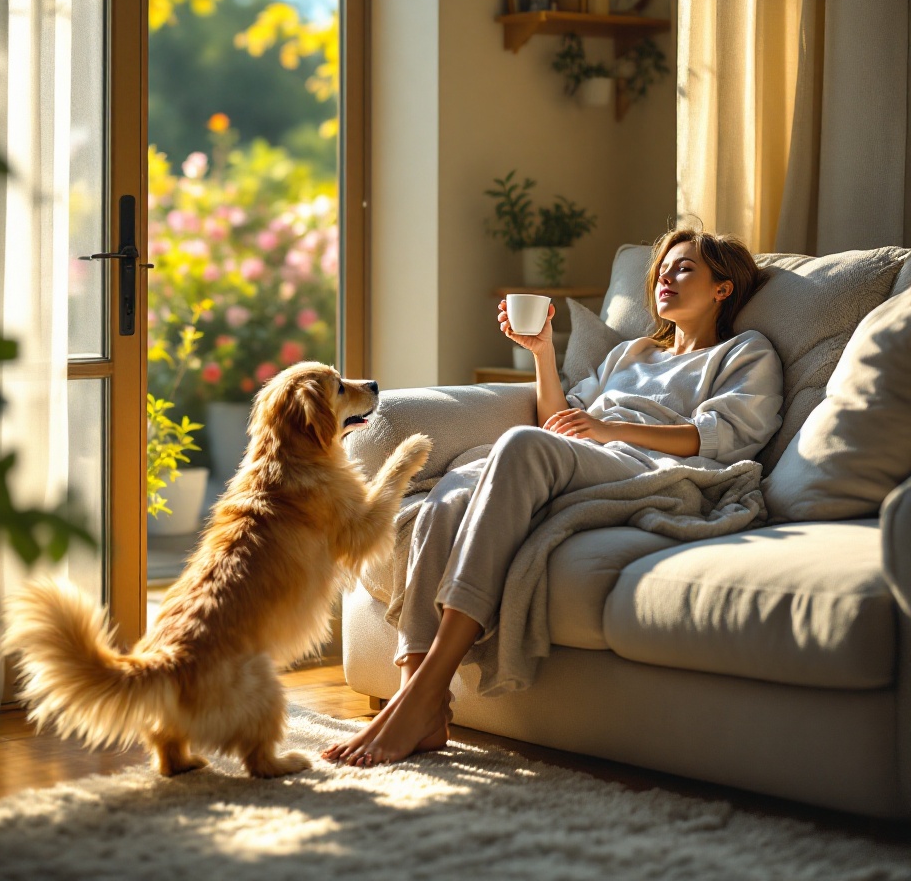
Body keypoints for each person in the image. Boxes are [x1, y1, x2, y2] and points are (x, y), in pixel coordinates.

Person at [322, 228, 784, 768]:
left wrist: (610, 428)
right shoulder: (631, 353)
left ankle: (428, 689)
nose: (665, 277)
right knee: (451, 493)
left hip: (649, 466)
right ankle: (413, 695)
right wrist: (543, 352)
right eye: (662, 269)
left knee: (516, 448)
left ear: (723, 289)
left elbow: (721, 436)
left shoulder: (745, 353)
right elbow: (555, 426)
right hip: (577, 457)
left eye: (683, 269)